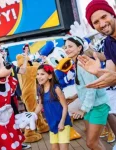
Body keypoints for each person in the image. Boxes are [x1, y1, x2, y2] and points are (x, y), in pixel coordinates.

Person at [76, 1, 116, 149]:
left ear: (112, 13)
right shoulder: (108, 44)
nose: (102, 23)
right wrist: (97, 72)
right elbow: (112, 76)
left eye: (104, 16)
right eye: (96, 22)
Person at [65, 36, 110, 150]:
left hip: (98, 106)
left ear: (79, 47)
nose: (67, 49)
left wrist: (82, 109)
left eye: (70, 46)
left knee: (91, 143)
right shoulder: (77, 62)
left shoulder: (83, 63)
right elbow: (85, 86)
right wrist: (75, 96)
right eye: (65, 47)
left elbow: (92, 88)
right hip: (91, 107)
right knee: (94, 141)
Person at [35, 64, 71, 150]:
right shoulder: (40, 89)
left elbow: (65, 106)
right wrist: (32, 115)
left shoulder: (56, 88)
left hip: (62, 123)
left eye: (42, 74)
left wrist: (62, 122)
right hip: (52, 123)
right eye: (38, 74)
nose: (39, 76)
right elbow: (40, 105)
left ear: (50, 76)